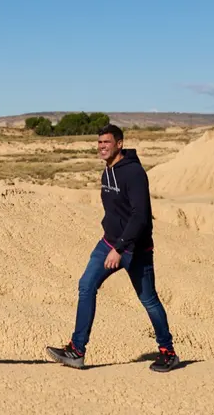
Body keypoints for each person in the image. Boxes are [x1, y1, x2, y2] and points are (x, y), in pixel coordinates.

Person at [45, 124, 179, 372]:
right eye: (99, 143)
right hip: (108, 242)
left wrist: (120, 248)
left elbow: (140, 216)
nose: (102, 147)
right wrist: (112, 242)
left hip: (135, 250)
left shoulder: (134, 173)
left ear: (119, 144)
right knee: (86, 285)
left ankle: (168, 352)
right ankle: (76, 350)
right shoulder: (107, 172)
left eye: (106, 142)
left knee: (148, 300)